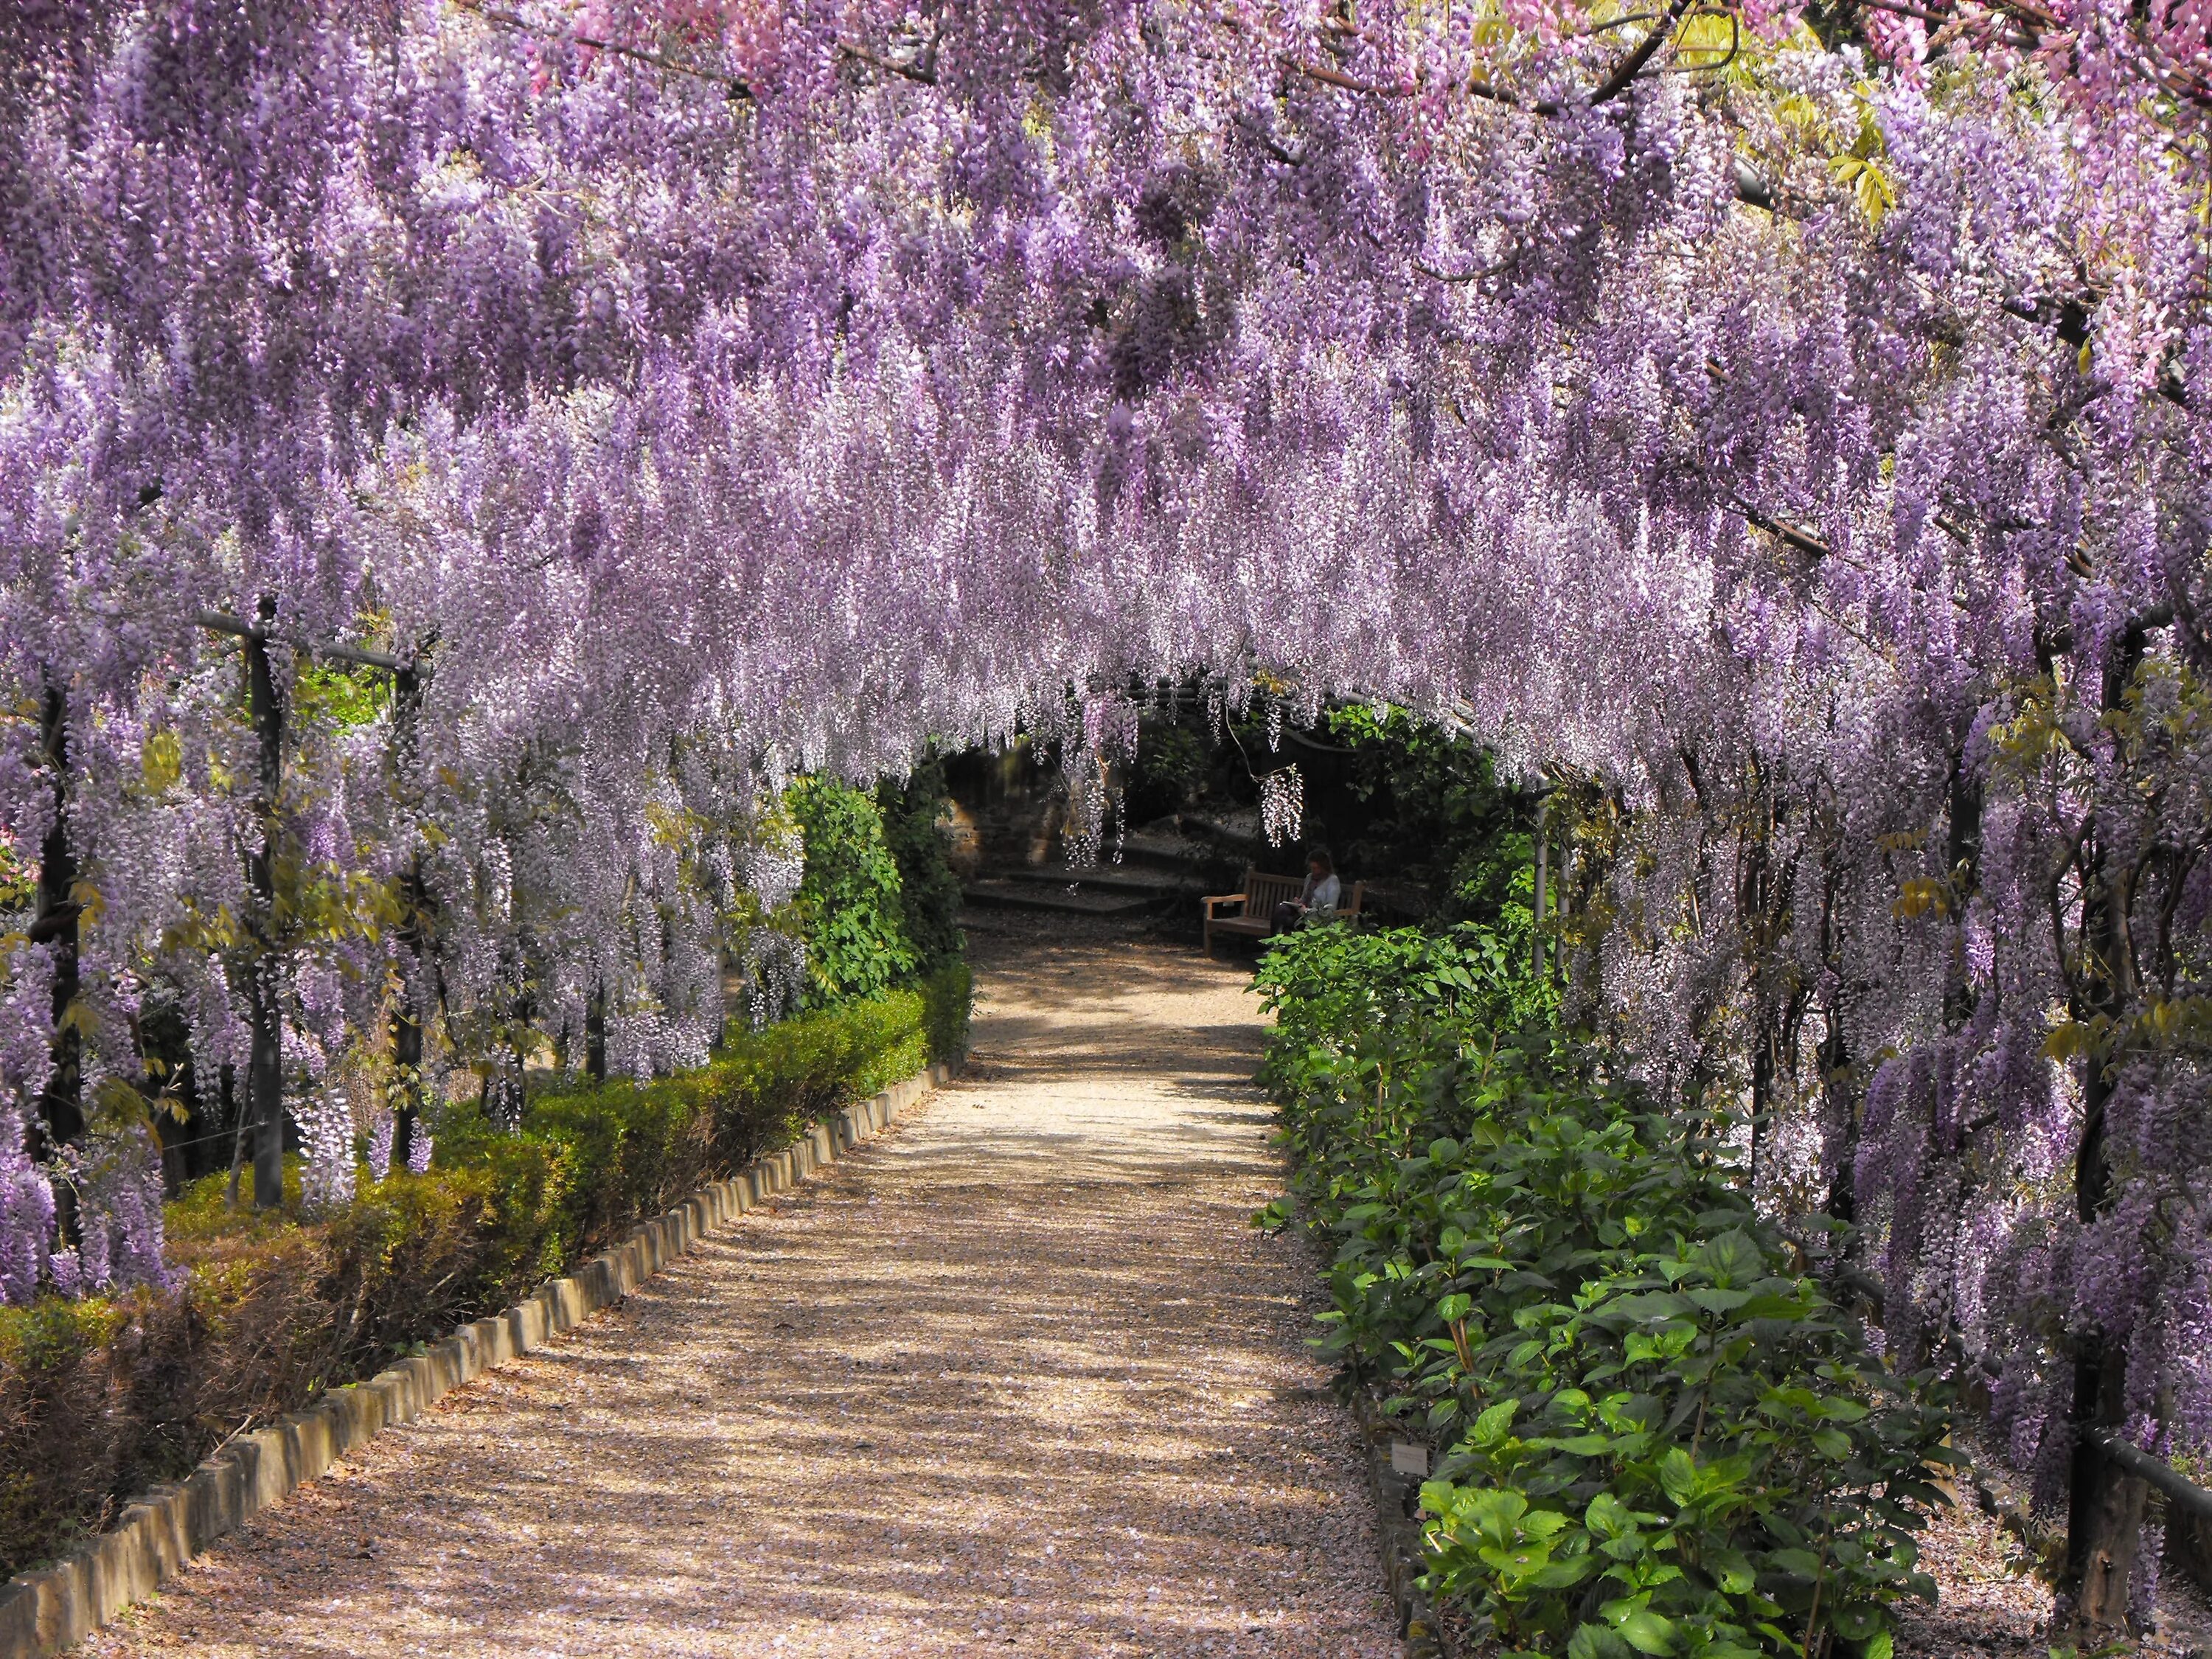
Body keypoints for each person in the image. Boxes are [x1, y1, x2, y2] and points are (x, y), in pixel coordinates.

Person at [1271, 847, 1341, 935]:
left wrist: (1306, 911)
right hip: (1302, 913)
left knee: (1287, 923)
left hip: (1317, 918)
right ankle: (1273, 942)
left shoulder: (1332, 880)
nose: (1313, 871)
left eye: (1316, 868)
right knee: (1281, 909)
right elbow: (1305, 898)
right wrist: (1298, 902)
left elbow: (1330, 909)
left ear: (1324, 868)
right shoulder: (1310, 878)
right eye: (1312, 868)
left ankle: (1281, 944)